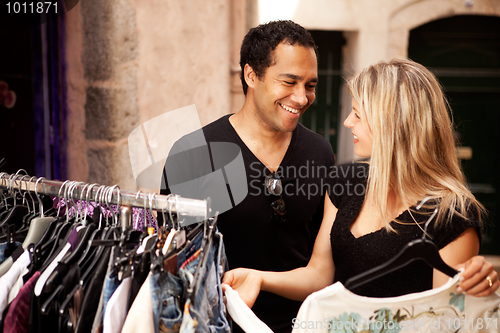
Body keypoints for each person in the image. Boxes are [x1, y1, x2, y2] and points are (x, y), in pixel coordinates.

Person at [222, 58, 499, 312]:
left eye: (356, 113)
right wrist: (258, 278)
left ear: (390, 122)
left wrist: (479, 287)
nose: (346, 122)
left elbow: (442, 317)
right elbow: (320, 276)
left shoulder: (451, 215)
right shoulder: (346, 181)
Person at [160, 20, 335, 333]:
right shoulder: (193, 154)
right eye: (289, 81)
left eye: (310, 85)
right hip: (217, 326)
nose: (301, 97)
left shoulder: (319, 152)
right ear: (251, 75)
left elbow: (321, 264)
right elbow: (172, 267)